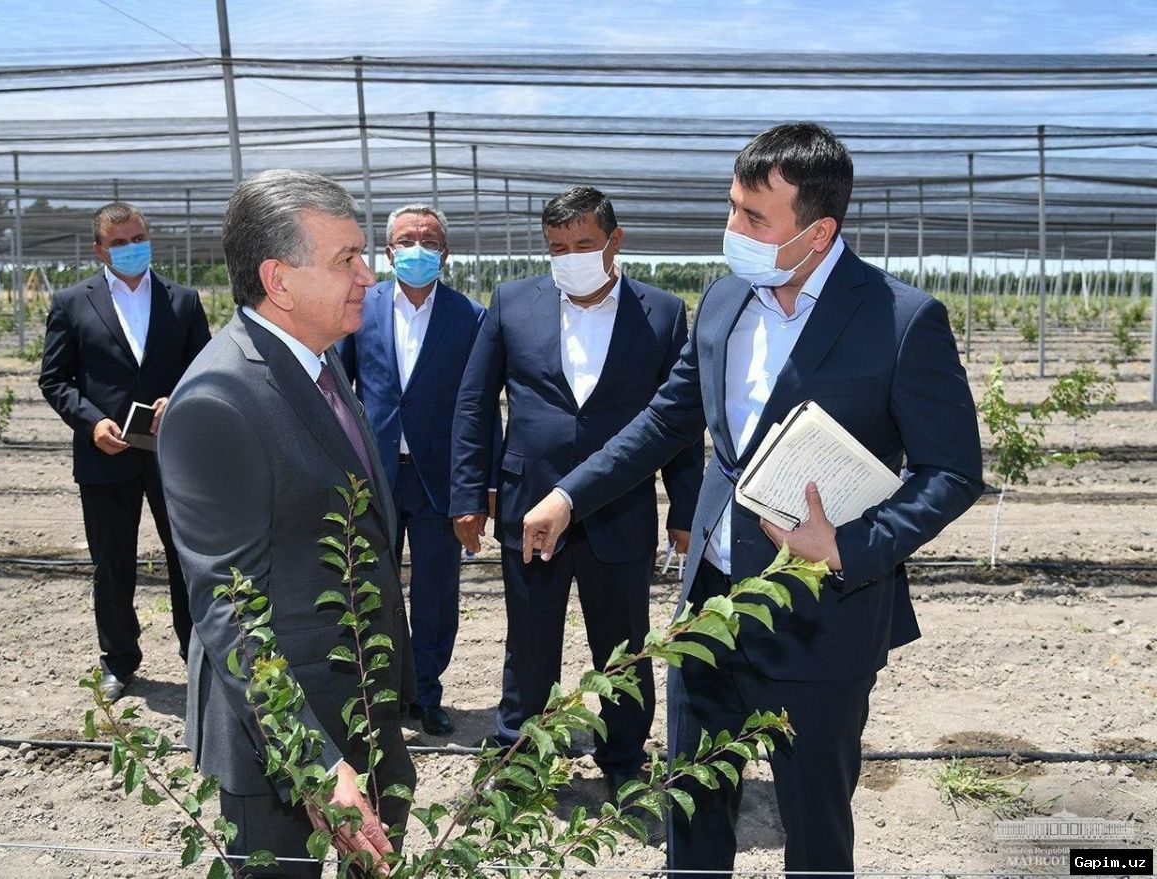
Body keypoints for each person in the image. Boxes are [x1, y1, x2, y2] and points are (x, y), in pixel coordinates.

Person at [522, 124, 984, 878]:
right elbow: (667, 420)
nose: (731, 230)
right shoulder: (726, 300)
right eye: (732, 208)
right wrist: (571, 496)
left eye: (754, 217)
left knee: (815, 828)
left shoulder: (900, 322)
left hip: (821, 617)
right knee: (693, 817)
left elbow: (953, 471)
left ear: (819, 229)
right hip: (709, 610)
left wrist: (849, 547)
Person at [158, 169, 415, 876]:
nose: (368, 274)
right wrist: (313, 761)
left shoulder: (318, 365)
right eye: (345, 260)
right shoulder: (219, 400)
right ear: (279, 279)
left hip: (361, 704)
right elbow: (229, 606)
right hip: (284, 745)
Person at [450, 186, 704, 796]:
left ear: (614, 242)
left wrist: (686, 507)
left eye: (583, 245)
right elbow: (475, 402)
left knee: (622, 642)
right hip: (529, 502)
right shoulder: (513, 303)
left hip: (620, 505)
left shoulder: (663, 313)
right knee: (529, 638)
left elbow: (680, 419)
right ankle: (518, 757)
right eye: (556, 247)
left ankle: (622, 761)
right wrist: (467, 492)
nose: (568, 256)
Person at [336, 203, 499, 737]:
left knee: (435, 592)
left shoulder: (469, 316)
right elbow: (337, 386)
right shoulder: (361, 308)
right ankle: (380, 694)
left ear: (445, 254)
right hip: (374, 475)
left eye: (429, 241)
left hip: (438, 480)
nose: (418, 249)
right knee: (371, 587)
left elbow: (481, 407)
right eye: (407, 240)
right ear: (388, 252)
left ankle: (426, 692)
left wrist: (478, 488)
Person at [38, 201, 210, 701]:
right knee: (112, 563)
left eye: (138, 238)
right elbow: (55, 378)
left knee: (187, 559)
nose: (131, 248)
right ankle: (119, 660)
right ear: (99, 249)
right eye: (118, 243)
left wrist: (176, 397)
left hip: (171, 453)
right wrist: (92, 424)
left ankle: (196, 653)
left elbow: (204, 369)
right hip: (105, 455)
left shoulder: (183, 300)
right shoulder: (73, 302)